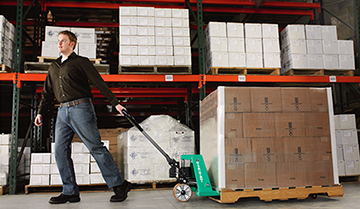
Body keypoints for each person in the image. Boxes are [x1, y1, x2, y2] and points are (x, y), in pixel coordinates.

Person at [34, 30, 131, 204]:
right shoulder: (53, 67)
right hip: (62, 112)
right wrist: (41, 112)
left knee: (95, 147)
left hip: (81, 108)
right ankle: (70, 191)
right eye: (58, 41)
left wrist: (114, 102)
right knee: (59, 151)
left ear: (72, 44)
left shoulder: (81, 62)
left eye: (63, 40)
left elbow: (98, 82)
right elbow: (47, 93)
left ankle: (119, 184)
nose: (59, 43)